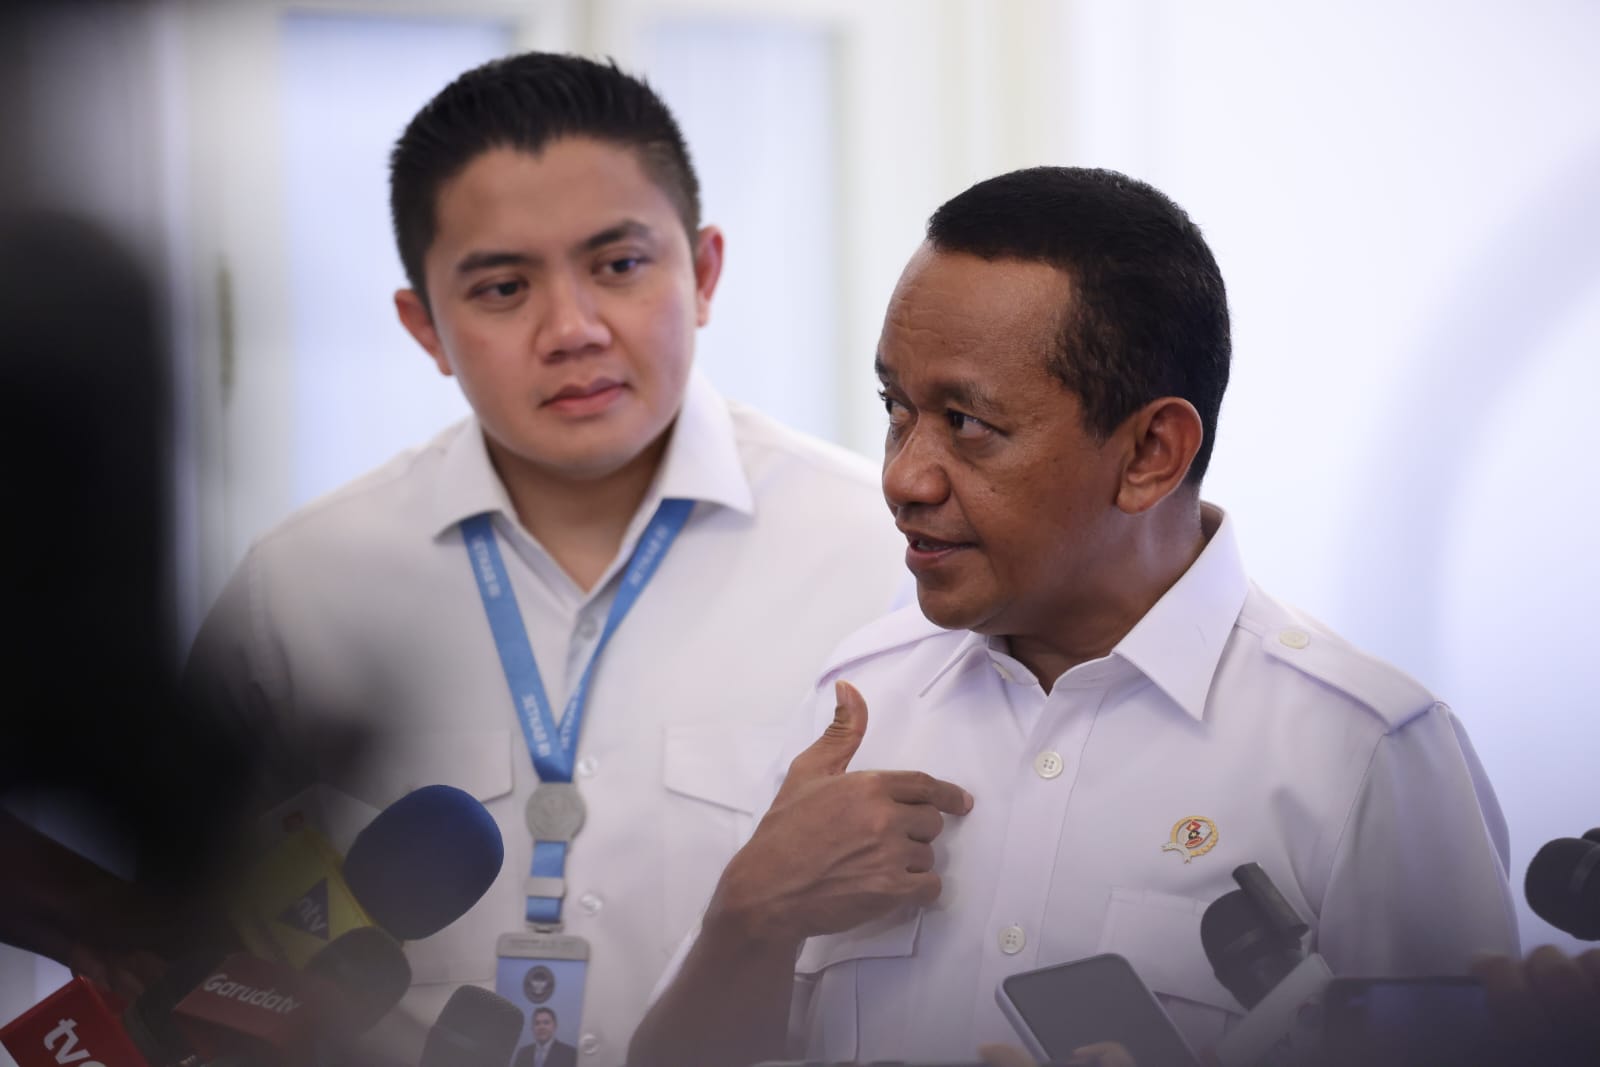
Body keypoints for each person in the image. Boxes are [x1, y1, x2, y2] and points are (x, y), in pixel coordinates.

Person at [629, 166, 1521, 1066]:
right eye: (897, 409)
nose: (903, 476)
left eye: (966, 422)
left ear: (1150, 452)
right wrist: (749, 916)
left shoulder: (1360, 750)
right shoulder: (858, 702)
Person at [183, 52, 904, 1064]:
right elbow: (175, 926)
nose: (572, 329)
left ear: (703, 273)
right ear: (425, 327)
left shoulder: (883, 556)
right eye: (503, 286)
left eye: (619, 265)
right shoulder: (302, 586)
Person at [514, 1007, 578, 1067]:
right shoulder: (522, 1052)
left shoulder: (570, 1054)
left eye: (546, 1023)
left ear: (555, 1026)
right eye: (537, 1023)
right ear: (532, 1028)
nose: (541, 1027)